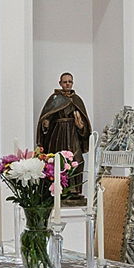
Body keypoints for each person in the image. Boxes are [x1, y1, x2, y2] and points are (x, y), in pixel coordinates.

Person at [36, 71, 92, 205]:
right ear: (60, 83)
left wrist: (80, 126)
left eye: (70, 81)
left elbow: (84, 127)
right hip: (58, 135)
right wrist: (46, 125)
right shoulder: (54, 99)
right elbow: (46, 119)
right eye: (65, 82)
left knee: (77, 161)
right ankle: (59, 191)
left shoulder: (77, 100)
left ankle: (75, 191)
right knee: (59, 163)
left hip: (72, 135)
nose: (67, 84)